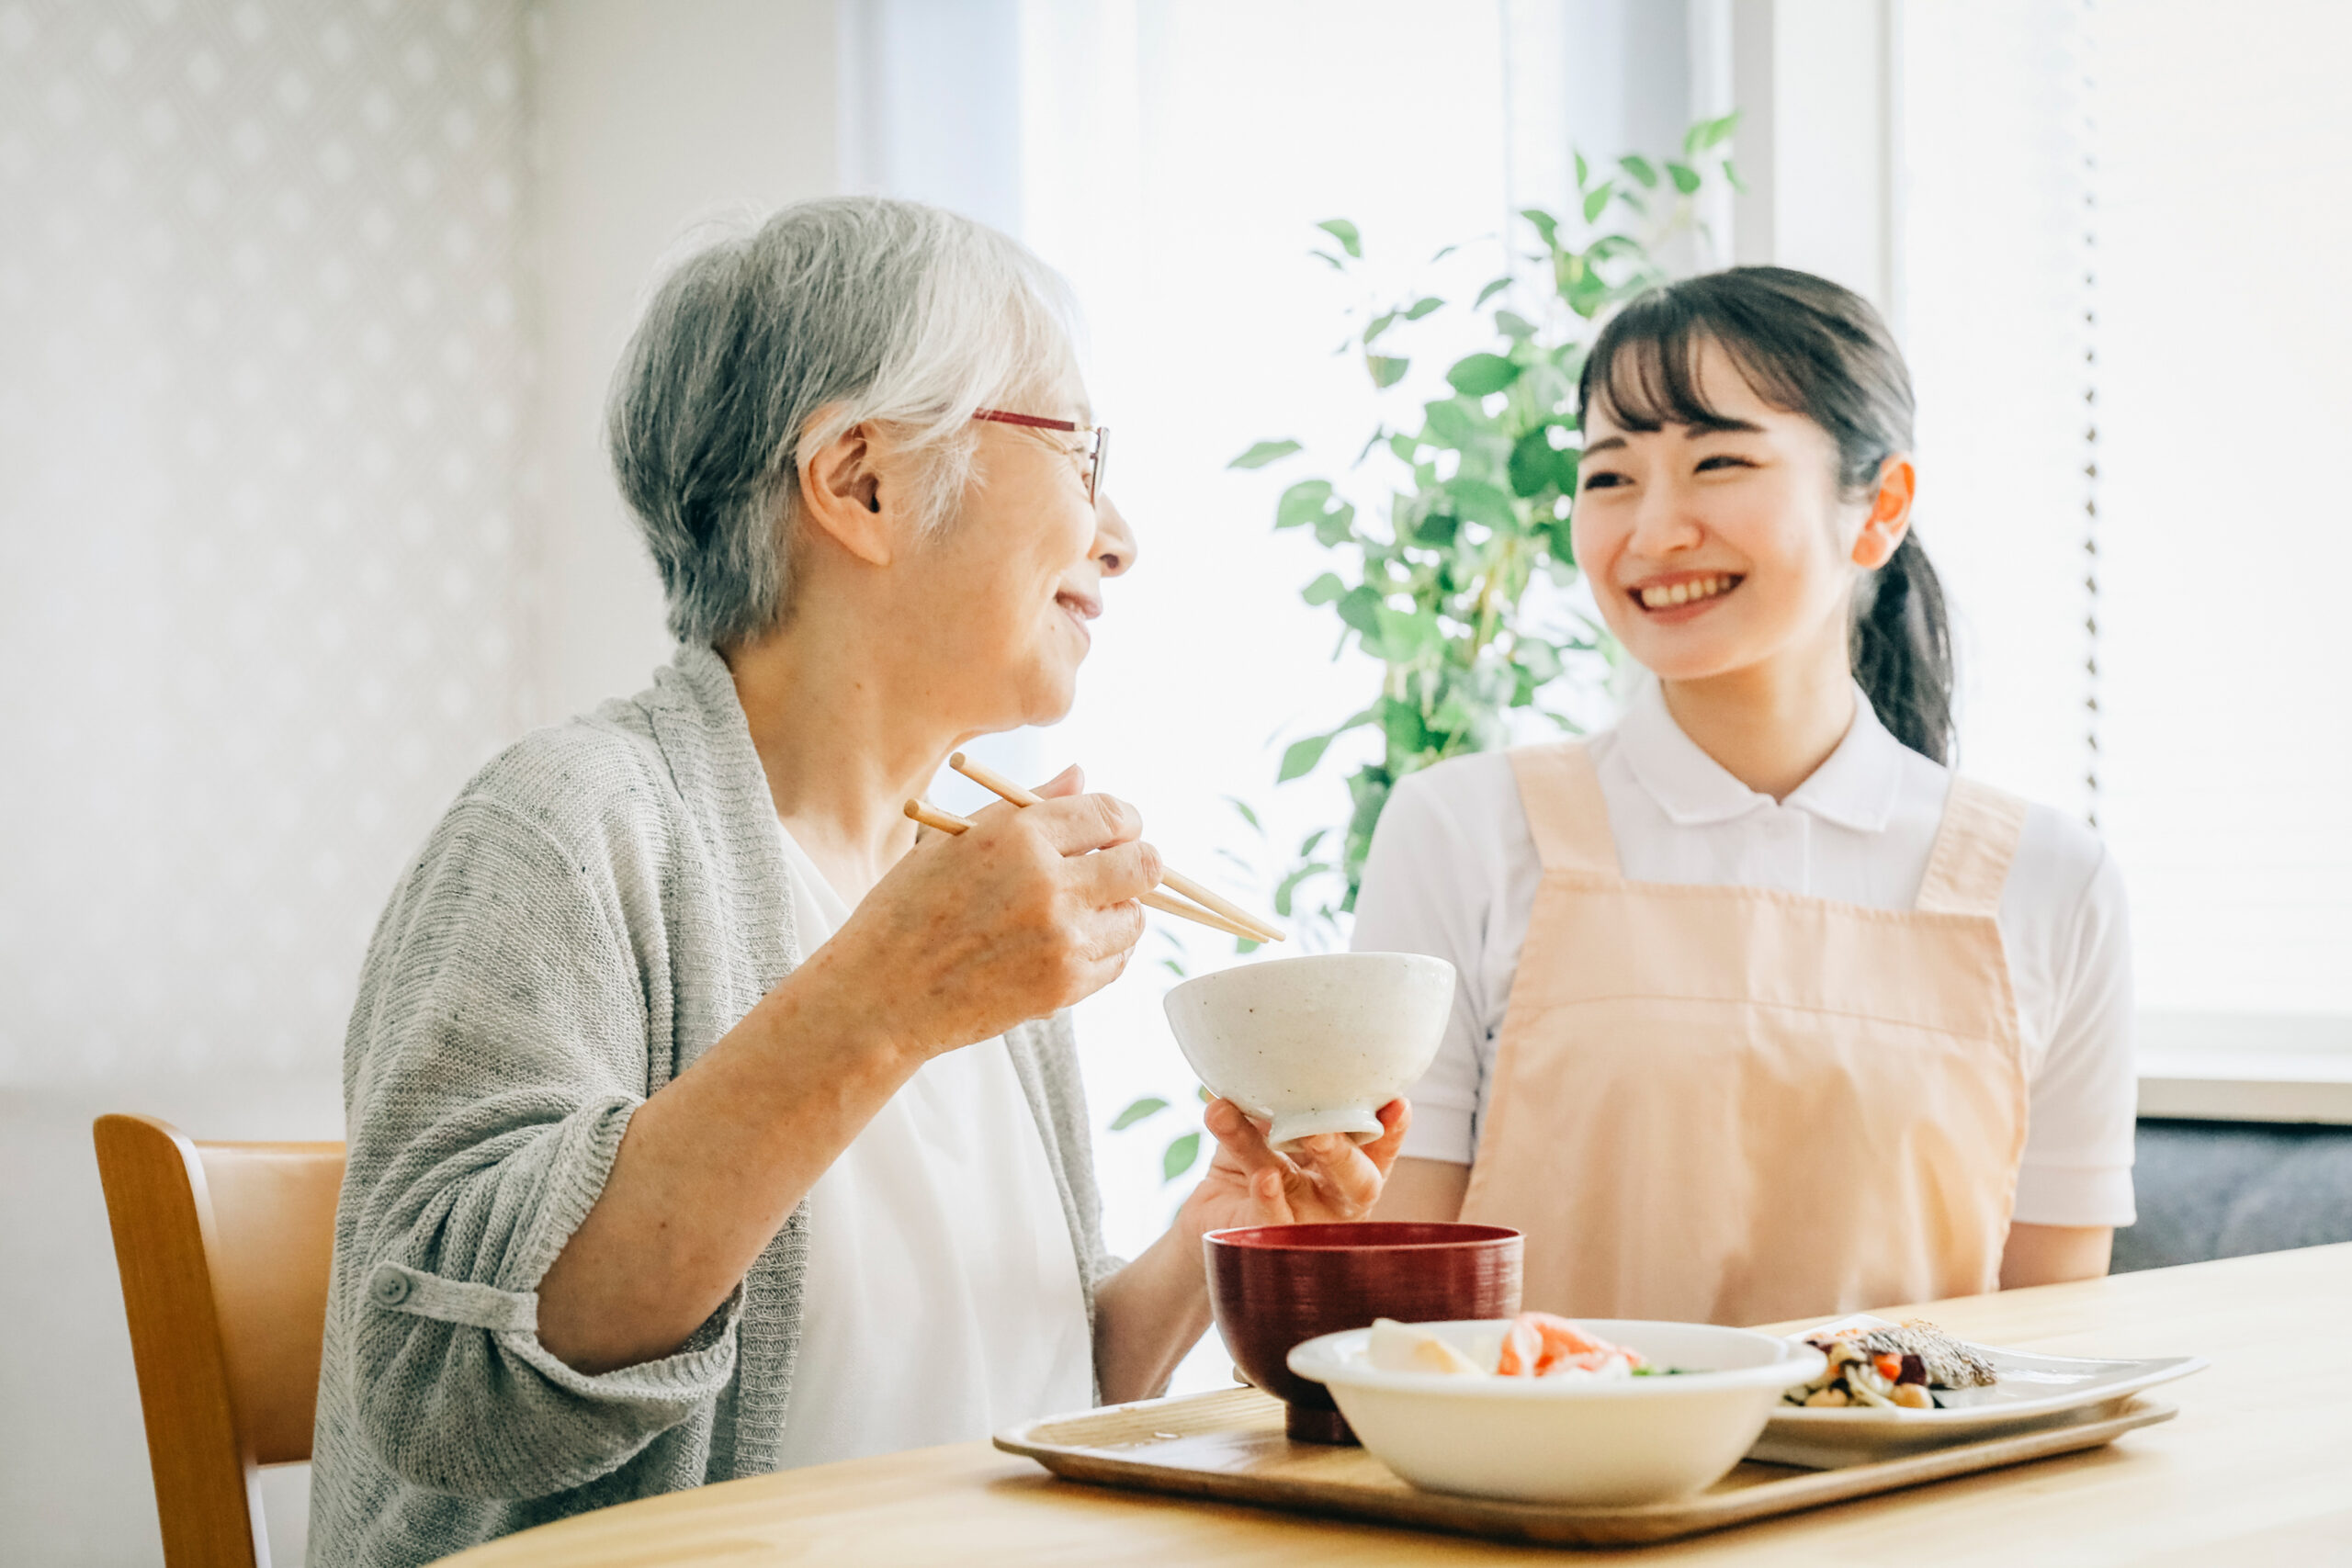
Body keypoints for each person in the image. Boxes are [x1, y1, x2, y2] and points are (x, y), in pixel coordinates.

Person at [307, 197, 1405, 1567]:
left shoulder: (959, 889)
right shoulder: (570, 825)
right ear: (861, 481)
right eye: (1078, 452)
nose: (1118, 536)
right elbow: (444, 1394)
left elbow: (1010, 1405)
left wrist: (1208, 1234)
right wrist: (887, 1000)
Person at [1361, 266, 2132, 1325]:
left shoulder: (2050, 879)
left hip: (1919, 1490)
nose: (1654, 530)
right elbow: (1403, 1307)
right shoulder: (1460, 832)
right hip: (1544, 1483)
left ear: (1880, 509)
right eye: (1609, 476)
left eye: (1718, 462)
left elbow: (2053, 1334)